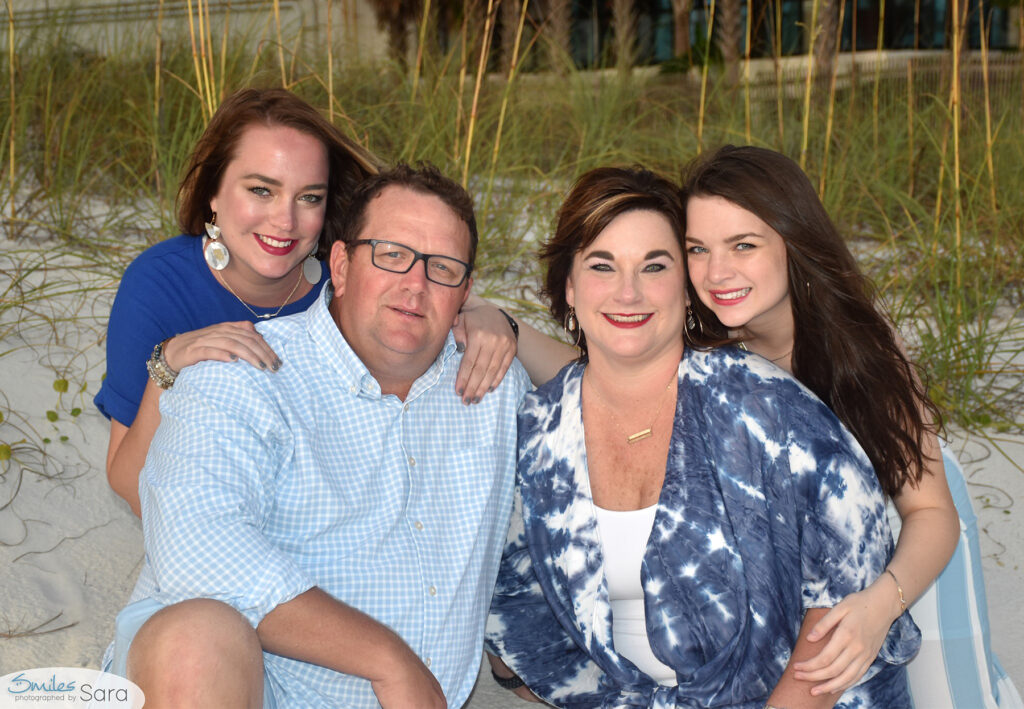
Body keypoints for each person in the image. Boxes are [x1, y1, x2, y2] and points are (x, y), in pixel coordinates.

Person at [485, 166, 920, 707]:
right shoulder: (539, 433)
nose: (628, 291)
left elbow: (843, 590)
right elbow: (513, 595)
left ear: (687, 291)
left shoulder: (771, 411)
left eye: (654, 265)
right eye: (602, 265)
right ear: (570, 287)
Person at [103, 163, 532, 708]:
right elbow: (199, 551)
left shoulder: (494, 386)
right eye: (391, 254)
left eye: (442, 268)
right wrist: (387, 658)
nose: (415, 284)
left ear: (466, 292)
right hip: (248, 691)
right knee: (195, 633)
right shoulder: (244, 371)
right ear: (342, 264)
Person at [679, 145, 1022, 707]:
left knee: (949, 693)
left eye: (744, 245)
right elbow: (592, 373)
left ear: (794, 241)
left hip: (914, 532)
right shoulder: (703, 342)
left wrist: (883, 604)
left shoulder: (860, 349)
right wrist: (505, 327)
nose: (717, 272)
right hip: (810, 551)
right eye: (698, 248)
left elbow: (933, 512)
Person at [94, 88, 519, 517]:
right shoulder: (161, 283)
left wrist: (488, 315)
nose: (285, 221)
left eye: (309, 197)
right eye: (261, 190)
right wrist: (167, 363)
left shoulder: (347, 277)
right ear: (214, 193)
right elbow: (129, 484)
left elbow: (426, 285)